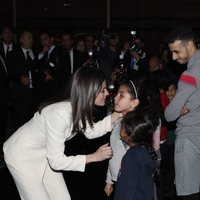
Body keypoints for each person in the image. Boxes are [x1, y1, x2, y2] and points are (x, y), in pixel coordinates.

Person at [3, 66, 122, 200]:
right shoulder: (59, 114)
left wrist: (116, 115)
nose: (107, 93)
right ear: (89, 91)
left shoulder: (78, 108)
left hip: (46, 154)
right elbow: (56, 161)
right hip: (22, 155)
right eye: (102, 90)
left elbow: (91, 131)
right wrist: (93, 157)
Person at [104, 74, 161, 197]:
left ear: (134, 102)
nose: (115, 98)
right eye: (117, 94)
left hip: (132, 183)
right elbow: (112, 152)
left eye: (121, 95)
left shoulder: (135, 127)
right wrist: (109, 180)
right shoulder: (116, 121)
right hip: (120, 180)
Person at [165, 25, 200, 200]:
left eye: (176, 52)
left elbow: (169, 115)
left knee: (189, 195)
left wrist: (177, 106)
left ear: (190, 45)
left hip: (189, 141)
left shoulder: (189, 75)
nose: (173, 57)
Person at [114, 110, 157, 200]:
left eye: (122, 126)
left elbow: (124, 191)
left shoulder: (131, 157)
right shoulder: (145, 152)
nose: (119, 127)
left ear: (130, 135)